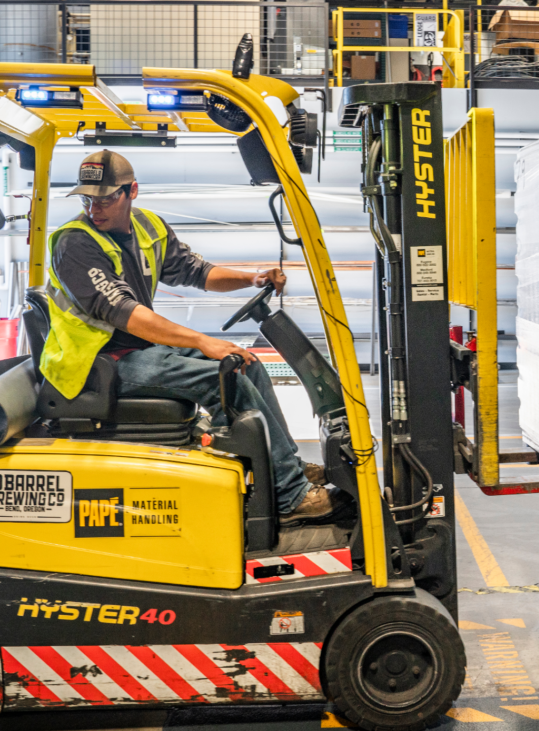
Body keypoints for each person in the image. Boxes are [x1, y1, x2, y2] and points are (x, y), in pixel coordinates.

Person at [41, 149, 338, 524]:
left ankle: (286, 467)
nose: (93, 208)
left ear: (132, 191)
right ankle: (290, 495)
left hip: (134, 350)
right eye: (87, 198)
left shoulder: (148, 227)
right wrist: (201, 341)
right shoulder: (75, 244)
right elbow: (126, 315)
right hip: (96, 364)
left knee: (247, 365)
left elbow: (197, 272)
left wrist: (252, 278)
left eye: (105, 198)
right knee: (223, 378)